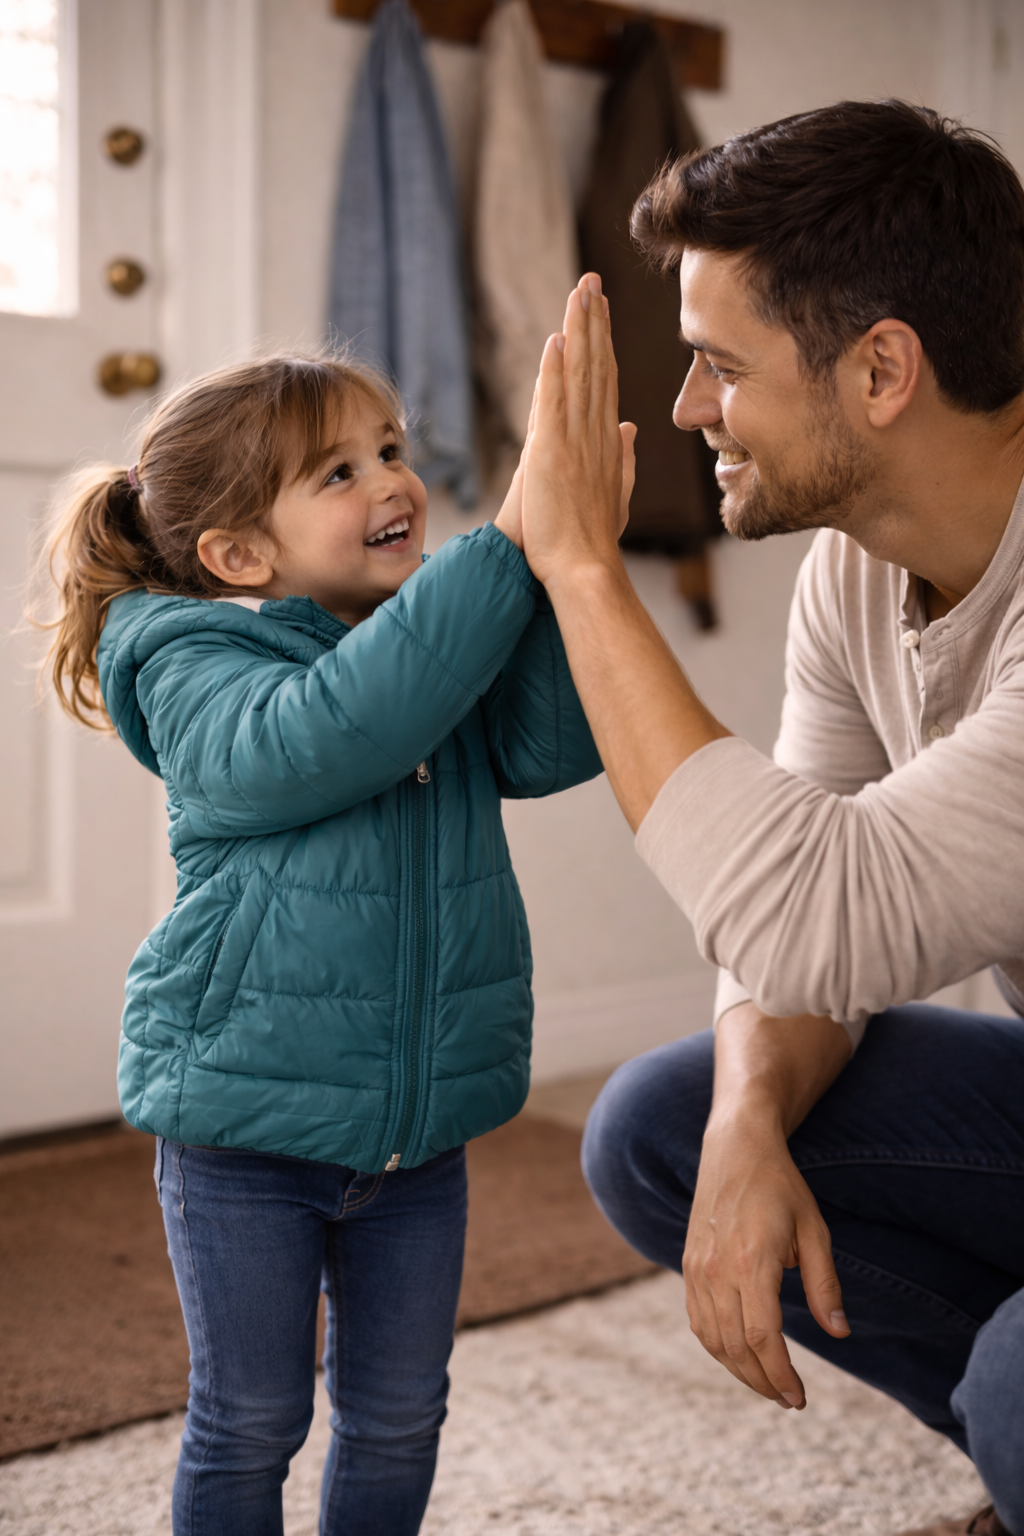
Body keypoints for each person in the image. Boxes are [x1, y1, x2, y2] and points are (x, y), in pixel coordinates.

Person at [515, 101, 1024, 1536]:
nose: (685, 411)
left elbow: (819, 901)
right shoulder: (860, 574)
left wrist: (579, 569)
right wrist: (750, 1113)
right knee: (666, 1127)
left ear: (880, 370)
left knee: (1020, 1395)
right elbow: (798, 921)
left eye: (719, 366)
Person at [38, 353, 607, 1536]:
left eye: (392, 450)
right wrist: (503, 548)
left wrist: (566, 564)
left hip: (417, 1138)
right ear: (240, 557)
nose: (392, 479)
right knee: (250, 1418)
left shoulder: (427, 641)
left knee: (401, 1411)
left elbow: (552, 748)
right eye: (341, 469)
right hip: (243, 1130)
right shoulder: (190, 660)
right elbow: (324, 736)